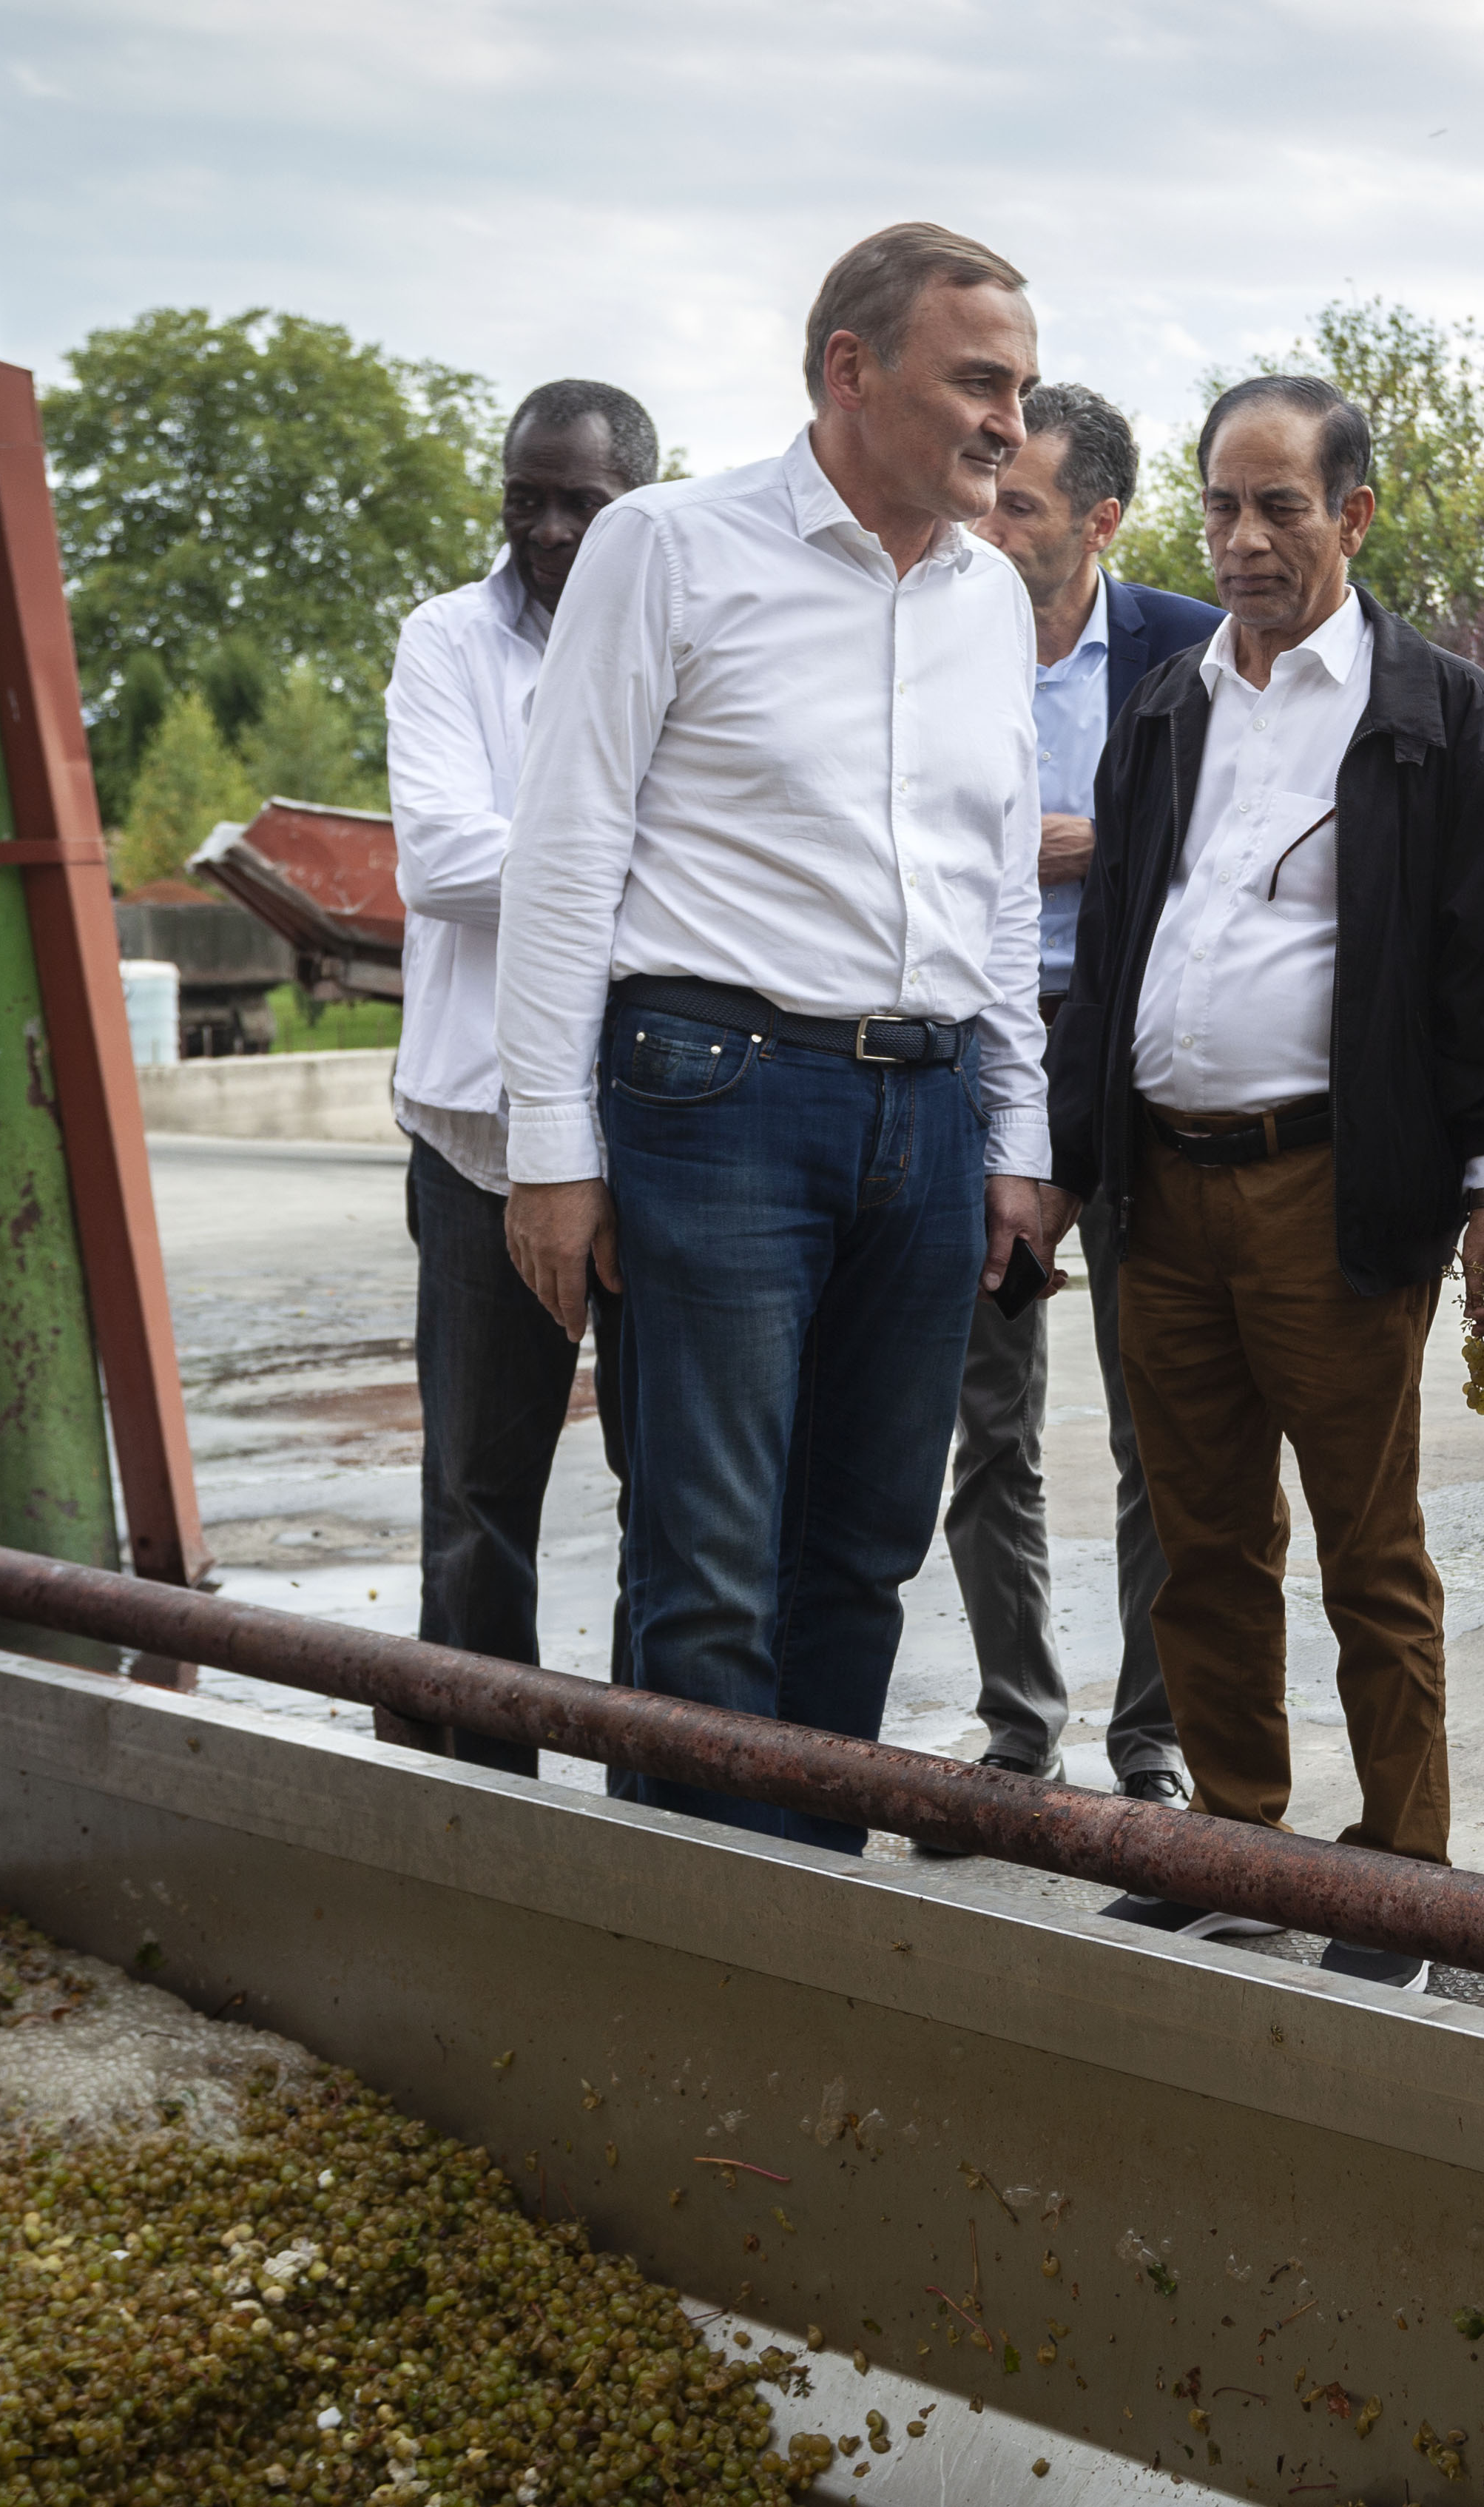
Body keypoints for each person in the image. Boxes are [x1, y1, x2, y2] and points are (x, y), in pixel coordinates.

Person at [496, 222, 1063, 1851]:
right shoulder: (668, 546)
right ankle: (694, 1930)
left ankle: (810, 1904)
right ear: (849, 369)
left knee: (866, 1548)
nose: (1008, 423)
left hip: (930, 1113)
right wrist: (551, 1151)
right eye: (978, 380)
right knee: (711, 1559)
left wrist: (1014, 1132)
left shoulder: (986, 596)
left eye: (1021, 390)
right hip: (716, 1094)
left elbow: (995, 887)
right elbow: (564, 853)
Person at [1045, 375, 1484, 1991]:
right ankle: (1232, 1847)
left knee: (1366, 1553)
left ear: (1354, 515)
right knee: (1199, 1544)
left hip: (1332, 1193)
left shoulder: (1437, 713)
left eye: (1280, 506)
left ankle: (1403, 1885)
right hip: (1162, 1193)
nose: (1245, 540)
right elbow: (1113, 946)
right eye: (1222, 506)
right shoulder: (1166, 704)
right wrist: (1063, 1164)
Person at [921, 382, 1225, 1834]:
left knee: (1157, 1416)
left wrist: (1100, 845)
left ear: (1101, 521)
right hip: (982, 1053)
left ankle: (1151, 1734)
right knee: (989, 1421)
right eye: (985, 492)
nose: (987, 519)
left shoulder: (1190, 649)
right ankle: (1017, 1724)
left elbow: (1244, 839)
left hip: (1131, 1059)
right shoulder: (929, 629)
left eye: (1022, 502)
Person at [381, 379, 655, 1773]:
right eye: (524, 500)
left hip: (661, 1126)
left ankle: (660, 1790)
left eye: (581, 505)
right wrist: (634, 864)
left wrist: (571, 861)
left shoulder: (688, 630)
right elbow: (440, 861)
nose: (547, 531)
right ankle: (481, 1797)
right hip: (479, 1135)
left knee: (675, 1493)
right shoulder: (448, 639)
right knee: (479, 1491)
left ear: (641, 506)